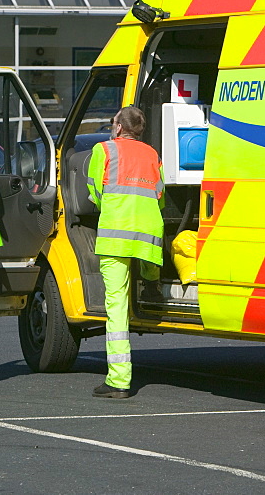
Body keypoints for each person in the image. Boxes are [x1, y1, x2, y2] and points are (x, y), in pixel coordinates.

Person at [87, 106, 165, 399]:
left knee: (116, 306)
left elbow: (94, 190)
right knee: (149, 258)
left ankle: (119, 381)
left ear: (118, 127)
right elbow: (160, 192)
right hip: (147, 232)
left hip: (115, 234)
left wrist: (106, 206)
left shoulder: (103, 150)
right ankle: (151, 281)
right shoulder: (152, 154)